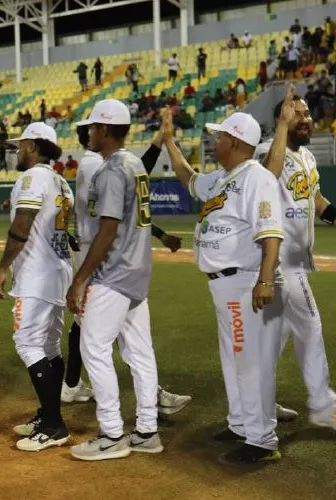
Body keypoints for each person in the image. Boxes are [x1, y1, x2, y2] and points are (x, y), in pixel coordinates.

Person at [165, 110, 286, 466]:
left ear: (234, 142)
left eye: (219, 136)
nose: (214, 141)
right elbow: (187, 178)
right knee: (233, 361)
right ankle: (240, 424)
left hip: (243, 282)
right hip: (223, 284)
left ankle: (262, 439)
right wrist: (169, 141)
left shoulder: (256, 178)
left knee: (249, 363)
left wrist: (264, 280)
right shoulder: (222, 178)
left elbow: (271, 233)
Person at [62, 114, 191, 413]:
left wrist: (158, 234)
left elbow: (123, 204)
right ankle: (128, 409)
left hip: (101, 248)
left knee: (104, 326)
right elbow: (132, 177)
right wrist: (158, 142)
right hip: (99, 253)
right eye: (91, 127)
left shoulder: (100, 163)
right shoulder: (96, 164)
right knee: (105, 331)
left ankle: (72, 386)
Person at [66, 99, 164, 461]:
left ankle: (110, 434)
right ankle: (147, 430)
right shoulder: (135, 163)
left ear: (104, 130)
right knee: (140, 353)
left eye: (92, 127)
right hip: (138, 271)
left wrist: (80, 279)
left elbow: (107, 231)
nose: (89, 133)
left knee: (93, 347)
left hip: (115, 272)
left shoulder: (109, 171)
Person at [252, 88, 336, 430]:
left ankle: (259, 405)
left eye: (307, 114)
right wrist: (283, 128)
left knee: (274, 340)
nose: (306, 119)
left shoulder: (308, 158)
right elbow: (266, 179)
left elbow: (315, 199)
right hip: (279, 261)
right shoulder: (265, 152)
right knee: (311, 329)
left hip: (297, 260)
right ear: (280, 119)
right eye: (297, 113)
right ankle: (322, 404)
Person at [0, 122, 73, 452]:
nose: (16, 150)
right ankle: (48, 415)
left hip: (37, 272)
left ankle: (54, 425)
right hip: (59, 268)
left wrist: (2, 267)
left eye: (20, 145)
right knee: (50, 345)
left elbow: (22, 224)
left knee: (26, 341)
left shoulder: (32, 177)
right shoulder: (61, 180)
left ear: (33, 147)